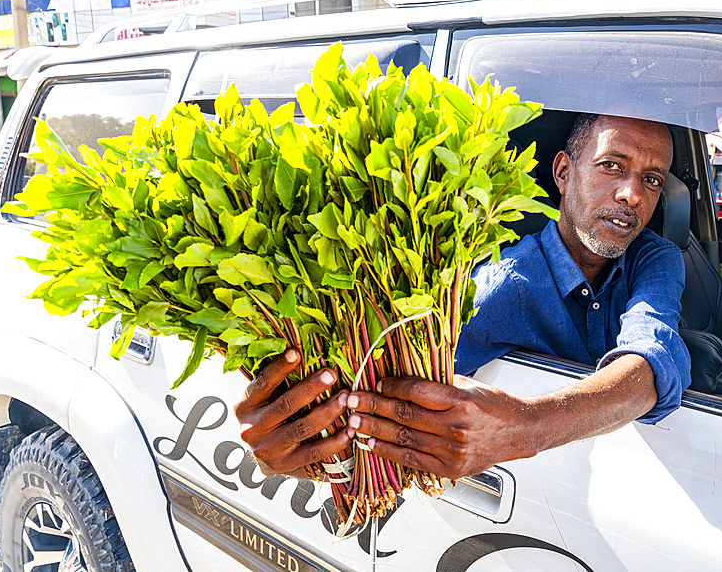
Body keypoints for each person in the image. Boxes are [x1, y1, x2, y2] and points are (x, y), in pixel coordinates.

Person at [235, 114, 691, 479]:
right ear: (564, 173)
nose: (633, 194)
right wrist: (308, 453)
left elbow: (652, 360)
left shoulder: (656, 257)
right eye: (612, 165)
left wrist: (524, 427)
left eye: (652, 179)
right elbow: (379, 401)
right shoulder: (502, 287)